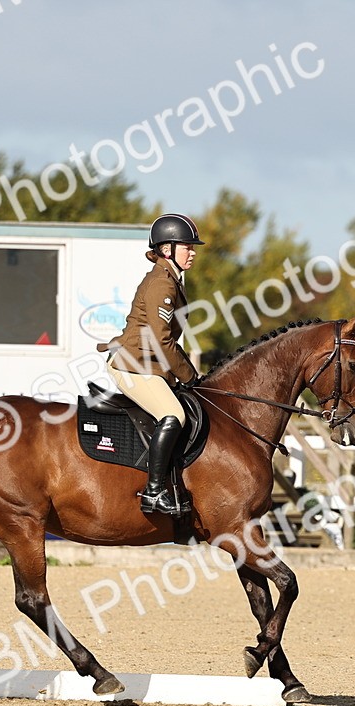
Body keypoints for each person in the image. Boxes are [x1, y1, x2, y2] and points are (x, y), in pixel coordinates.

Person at [98, 213, 203, 516]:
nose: (193, 252)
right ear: (167, 249)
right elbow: (163, 341)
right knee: (173, 414)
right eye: (187, 246)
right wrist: (192, 377)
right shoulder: (161, 283)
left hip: (149, 363)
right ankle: (154, 492)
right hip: (133, 366)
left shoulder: (170, 278)